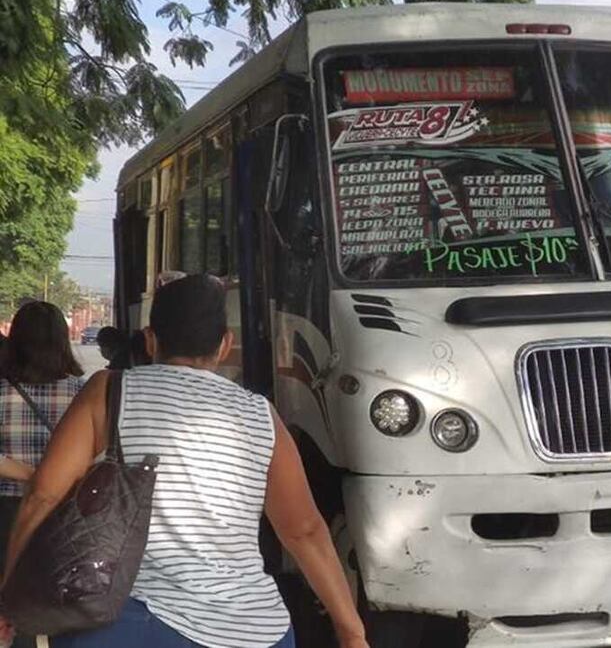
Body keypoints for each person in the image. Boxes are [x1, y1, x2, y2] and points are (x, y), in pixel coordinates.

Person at [1, 276, 368, 648]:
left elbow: (44, 496)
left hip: (127, 624)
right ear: (225, 344)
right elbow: (303, 531)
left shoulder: (109, 391)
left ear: (150, 339)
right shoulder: (261, 415)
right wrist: (351, 631)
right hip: (253, 629)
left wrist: (8, 599)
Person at [0, 301, 84, 648]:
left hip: (6, 511)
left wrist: (32, 476)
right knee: (61, 602)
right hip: (64, 511)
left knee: (11, 602)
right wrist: (49, 479)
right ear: (62, 341)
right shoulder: (84, 393)